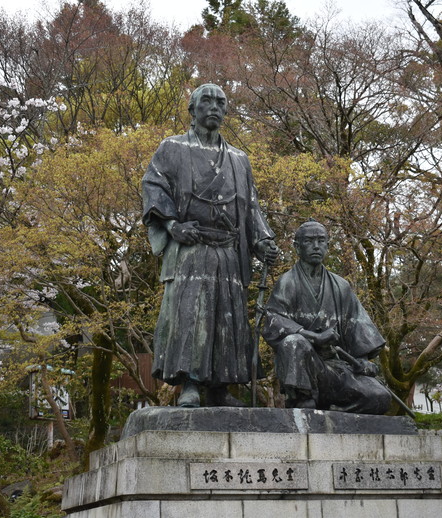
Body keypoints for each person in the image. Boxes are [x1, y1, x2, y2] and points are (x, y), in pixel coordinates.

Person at [142, 83, 279, 408]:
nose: (214, 107)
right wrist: (173, 225)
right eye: (207, 101)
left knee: (227, 316)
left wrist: (263, 239)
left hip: (229, 251)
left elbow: (251, 207)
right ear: (192, 109)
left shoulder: (238, 159)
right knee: (190, 314)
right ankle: (189, 383)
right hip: (191, 247)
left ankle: (221, 387)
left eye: (221, 102)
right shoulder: (172, 148)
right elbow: (153, 185)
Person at [262, 220, 391, 414]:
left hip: (335, 369)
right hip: (305, 366)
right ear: (297, 247)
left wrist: (363, 360)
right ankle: (302, 398)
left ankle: (336, 411)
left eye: (321, 241)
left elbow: (357, 325)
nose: (316, 246)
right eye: (309, 241)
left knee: (381, 398)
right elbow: (274, 321)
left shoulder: (341, 286)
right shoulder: (287, 283)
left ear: (328, 246)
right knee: (294, 342)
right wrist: (314, 337)